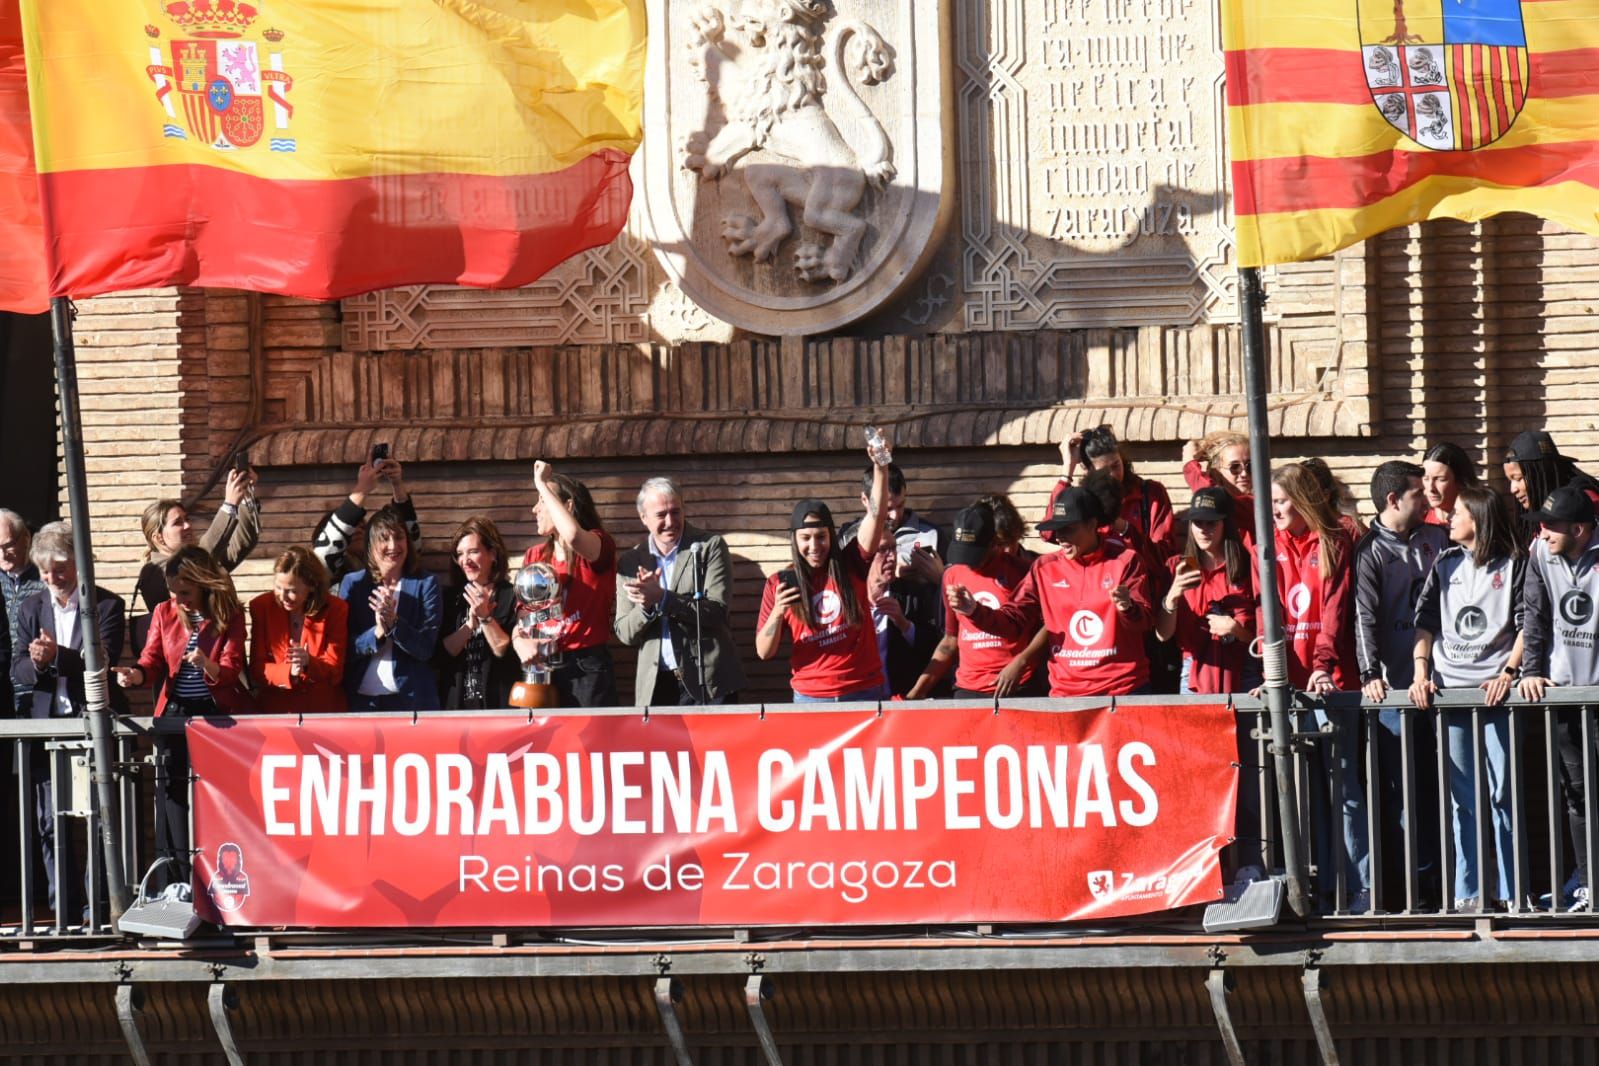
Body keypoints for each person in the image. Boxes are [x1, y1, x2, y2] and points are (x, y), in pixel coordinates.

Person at [1411, 485, 1525, 911]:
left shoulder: (1515, 564)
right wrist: (1422, 673)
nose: (1448, 517)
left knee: (1504, 795)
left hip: (1497, 697)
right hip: (1452, 696)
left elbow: (1527, 622)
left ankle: (1513, 892)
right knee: (1462, 798)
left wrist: (1509, 673)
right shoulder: (1444, 563)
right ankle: (1469, 892)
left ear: (1477, 518)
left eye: (1456, 512)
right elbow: (1423, 623)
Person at [9, 522, 126, 920]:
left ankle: (98, 911)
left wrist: (55, 654)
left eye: (59, 568)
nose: (51, 577)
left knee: (98, 821)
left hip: (89, 729)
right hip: (47, 729)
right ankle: (65, 913)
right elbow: (18, 670)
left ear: (78, 564)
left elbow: (101, 661)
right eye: (44, 570)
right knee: (49, 824)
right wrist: (39, 664)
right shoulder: (31, 608)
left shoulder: (106, 606)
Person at [114, 546, 251, 878]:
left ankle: (224, 874)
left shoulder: (229, 613)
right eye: (174, 592)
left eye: (185, 592)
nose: (179, 600)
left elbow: (231, 670)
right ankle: (177, 877)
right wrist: (137, 675)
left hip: (215, 711)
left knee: (220, 791)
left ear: (203, 584)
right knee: (170, 791)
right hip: (176, 709)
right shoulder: (164, 612)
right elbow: (152, 658)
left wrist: (206, 663)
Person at [950, 487, 1153, 698]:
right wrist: (974, 611)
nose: (1060, 537)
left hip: (1124, 690)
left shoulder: (1125, 560)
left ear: (1092, 524)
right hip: (1067, 695)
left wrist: (1128, 608)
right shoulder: (1044, 568)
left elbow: (1145, 623)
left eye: (1068, 529)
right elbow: (1012, 622)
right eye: (1057, 530)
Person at [1354, 461, 1448, 908]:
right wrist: (1372, 673)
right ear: (1393, 499)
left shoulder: (1436, 536)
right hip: (1395, 693)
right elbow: (1364, 618)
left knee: (1447, 785)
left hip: (1443, 685)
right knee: (1405, 791)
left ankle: (1452, 880)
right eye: (1417, 491)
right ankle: (1415, 887)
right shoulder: (1370, 550)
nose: (1427, 496)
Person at [1155, 488, 1262, 881]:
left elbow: (1263, 631)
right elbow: (1164, 636)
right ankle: (1205, 869)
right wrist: (1172, 597)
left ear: (1224, 524)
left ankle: (1249, 865)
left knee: (1246, 773)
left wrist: (1236, 627)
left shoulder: (1246, 564)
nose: (1203, 529)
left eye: (1211, 522)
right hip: (1194, 675)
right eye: (1197, 522)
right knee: (1199, 774)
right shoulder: (1176, 566)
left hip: (1242, 675)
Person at [1271, 462, 1365, 909]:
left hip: (1334, 684)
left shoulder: (1335, 539)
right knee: (1304, 792)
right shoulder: (1269, 547)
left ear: (1304, 500)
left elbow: (1334, 611)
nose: (1276, 509)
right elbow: (1268, 615)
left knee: (1344, 789)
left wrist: (1322, 666)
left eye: (1283, 501)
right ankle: (1319, 888)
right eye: (1272, 502)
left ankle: (1358, 889)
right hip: (1288, 689)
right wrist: (1270, 676)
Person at [756, 439, 892, 702]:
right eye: (806, 538)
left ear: (831, 536)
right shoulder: (780, 583)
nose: (814, 545)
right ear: (794, 540)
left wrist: (880, 468)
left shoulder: (853, 562)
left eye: (821, 536)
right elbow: (763, 652)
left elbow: (875, 516)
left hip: (862, 692)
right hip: (811, 698)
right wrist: (778, 612)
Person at [1518, 485, 1599, 911]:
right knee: (1578, 795)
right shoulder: (1539, 554)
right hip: (1566, 697)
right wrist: (1531, 671)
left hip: (1597, 692)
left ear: (1580, 529)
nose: (1544, 533)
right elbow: (1534, 616)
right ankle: (1589, 884)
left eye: (1552, 526)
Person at [615, 479, 746, 706]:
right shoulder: (631, 562)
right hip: (657, 687)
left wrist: (663, 598)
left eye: (676, 512)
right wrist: (646, 608)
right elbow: (625, 632)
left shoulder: (709, 547)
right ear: (643, 518)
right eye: (661, 515)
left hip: (708, 681)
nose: (670, 522)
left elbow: (717, 611)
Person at [907, 502, 1043, 699]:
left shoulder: (1022, 571)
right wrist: (916, 692)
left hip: (1016, 687)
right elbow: (950, 641)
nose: (968, 563)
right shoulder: (952, 575)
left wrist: (1022, 662)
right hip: (969, 689)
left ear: (993, 542)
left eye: (974, 555)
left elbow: (1048, 627)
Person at [511, 461, 619, 707]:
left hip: (586, 668)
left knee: (589, 744)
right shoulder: (534, 555)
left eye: (542, 500)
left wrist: (541, 482)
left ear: (567, 505)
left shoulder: (599, 543)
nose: (534, 508)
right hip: (543, 666)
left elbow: (572, 536)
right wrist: (520, 641)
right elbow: (524, 616)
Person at [133, 464, 260, 650]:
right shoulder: (154, 571)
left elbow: (243, 542)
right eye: (178, 523)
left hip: (223, 653)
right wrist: (229, 506)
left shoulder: (204, 559)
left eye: (187, 519)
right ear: (158, 536)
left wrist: (246, 496)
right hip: (187, 662)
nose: (187, 526)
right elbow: (194, 565)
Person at [339, 505, 442, 711]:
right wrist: (377, 632)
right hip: (362, 700)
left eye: (399, 537)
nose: (393, 545)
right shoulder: (353, 584)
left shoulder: (426, 583)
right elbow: (345, 649)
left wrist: (394, 623)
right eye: (384, 538)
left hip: (411, 700)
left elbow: (426, 649)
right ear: (370, 544)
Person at [1047, 425, 1176, 558]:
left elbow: (1164, 553)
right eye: (1105, 471)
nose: (1114, 475)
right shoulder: (1083, 501)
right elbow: (1050, 534)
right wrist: (1067, 470)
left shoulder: (1151, 494)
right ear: (1088, 471)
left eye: (1116, 465)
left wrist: (1124, 528)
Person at [248, 546, 348, 714]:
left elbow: (335, 671)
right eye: (278, 587)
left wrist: (309, 663)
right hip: (278, 710)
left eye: (292, 591)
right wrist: (288, 672)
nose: (282, 596)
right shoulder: (261, 607)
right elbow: (258, 669)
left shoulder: (335, 609)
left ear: (312, 586)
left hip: (321, 710)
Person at [437, 516, 518, 710]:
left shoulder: (510, 596)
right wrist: (469, 626)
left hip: (499, 707)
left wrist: (485, 617)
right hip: (456, 708)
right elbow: (443, 653)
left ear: (493, 554)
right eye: (460, 554)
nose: (465, 561)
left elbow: (502, 649)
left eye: (473, 552)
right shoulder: (451, 598)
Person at [312, 456, 421, 583]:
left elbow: (411, 543)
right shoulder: (332, 572)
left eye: (363, 527)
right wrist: (362, 489)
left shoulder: (383, 566)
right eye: (352, 528)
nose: (359, 531)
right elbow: (325, 554)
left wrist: (397, 484)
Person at [1503, 429, 1598, 530]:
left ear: (1542, 473)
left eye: (1518, 478)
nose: (1513, 489)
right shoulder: (1541, 506)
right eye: (1510, 480)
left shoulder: (1585, 502)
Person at [0, 509, 46, 713]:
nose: (2, 554)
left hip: (36, 687)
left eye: (8, 545)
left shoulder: (47, 578)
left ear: (26, 537)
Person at [1421, 442, 1481, 528]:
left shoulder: (1477, 520)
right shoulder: (1418, 519)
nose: (1431, 488)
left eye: (1440, 479)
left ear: (1460, 480)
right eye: (1426, 478)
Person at [1184, 431, 1254, 503]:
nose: (1244, 474)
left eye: (1250, 466)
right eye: (1235, 467)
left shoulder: (1259, 504)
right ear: (1217, 472)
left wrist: (1189, 463)